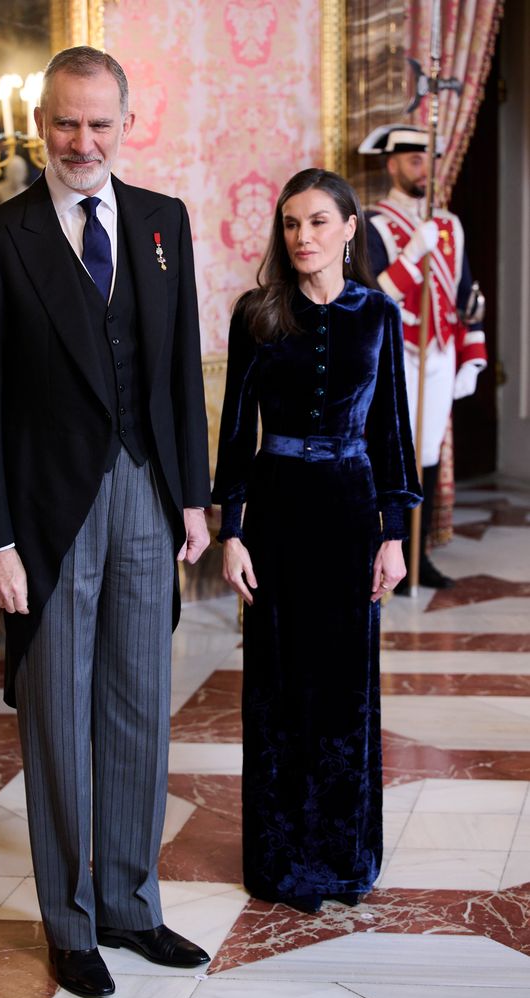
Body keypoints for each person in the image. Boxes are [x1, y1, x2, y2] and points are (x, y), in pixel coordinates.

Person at [0, 46, 211, 998]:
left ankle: (133, 906)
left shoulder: (161, 223)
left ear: (125, 125)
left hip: (145, 492)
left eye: (100, 123)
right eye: (66, 122)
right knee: (58, 718)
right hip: (46, 516)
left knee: (141, 709)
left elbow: (179, 369)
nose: (83, 140)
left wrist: (192, 496)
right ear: (41, 123)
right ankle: (71, 923)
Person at [211, 168, 421, 913]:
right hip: (276, 512)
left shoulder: (379, 315)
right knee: (275, 689)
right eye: (292, 224)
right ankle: (276, 860)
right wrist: (231, 533)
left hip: (350, 514)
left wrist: (395, 535)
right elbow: (236, 436)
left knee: (344, 690)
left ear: (349, 229)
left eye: (319, 222)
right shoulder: (257, 314)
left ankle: (342, 857)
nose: (303, 237)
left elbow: (392, 431)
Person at [360, 124, 487, 589]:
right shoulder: (373, 223)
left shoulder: (449, 225)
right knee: (394, 454)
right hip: (396, 353)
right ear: (392, 164)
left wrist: (472, 352)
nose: (424, 170)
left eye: (430, 161)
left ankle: (419, 556)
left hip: (440, 353)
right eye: (414, 161)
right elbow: (375, 297)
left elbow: (465, 293)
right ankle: (384, 551)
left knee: (429, 455)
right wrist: (414, 252)